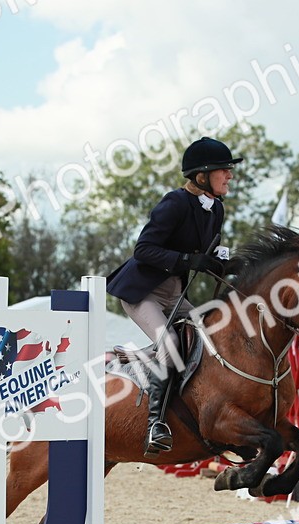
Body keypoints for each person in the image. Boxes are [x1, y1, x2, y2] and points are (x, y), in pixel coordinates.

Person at [106, 136, 241, 456]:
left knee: (210, 337)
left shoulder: (216, 209)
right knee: (168, 344)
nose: (230, 176)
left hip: (175, 294)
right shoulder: (173, 203)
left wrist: (227, 265)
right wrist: (188, 261)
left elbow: (207, 254)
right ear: (202, 175)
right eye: (224, 170)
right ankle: (155, 423)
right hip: (144, 295)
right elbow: (144, 250)